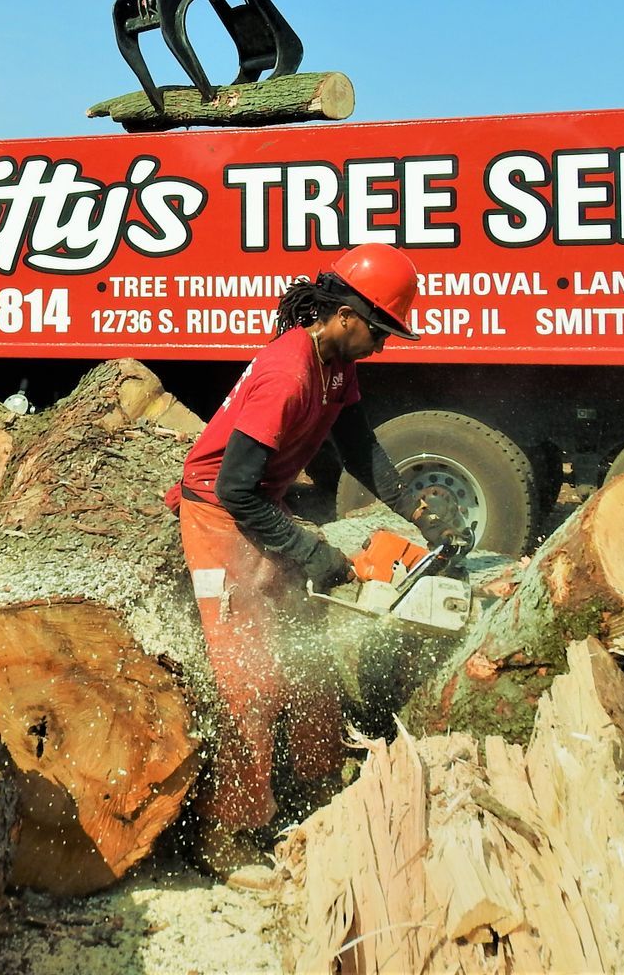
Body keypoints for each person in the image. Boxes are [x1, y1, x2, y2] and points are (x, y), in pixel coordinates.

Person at [169, 244, 460, 879]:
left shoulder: (333, 366)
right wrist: (313, 553)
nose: (381, 347)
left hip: (258, 509)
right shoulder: (289, 374)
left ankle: (316, 778)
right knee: (251, 677)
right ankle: (225, 830)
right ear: (347, 315)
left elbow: (359, 445)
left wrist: (417, 510)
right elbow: (234, 491)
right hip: (220, 517)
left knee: (309, 651)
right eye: (379, 332)